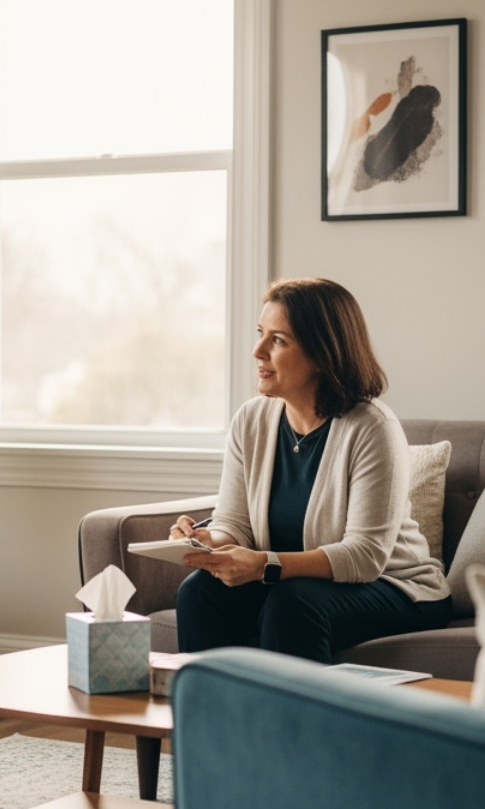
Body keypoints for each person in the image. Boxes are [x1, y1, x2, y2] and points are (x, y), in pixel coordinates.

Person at [170, 277, 451, 662]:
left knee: (293, 603)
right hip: (296, 584)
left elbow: (365, 556)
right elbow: (234, 523)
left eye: (278, 340)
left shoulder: (373, 429)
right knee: (200, 590)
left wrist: (263, 566)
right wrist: (206, 542)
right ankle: (210, 719)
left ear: (322, 353)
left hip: (396, 587)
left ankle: (294, 723)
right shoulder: (251, 420)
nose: (257, 351)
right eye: (260, 334)